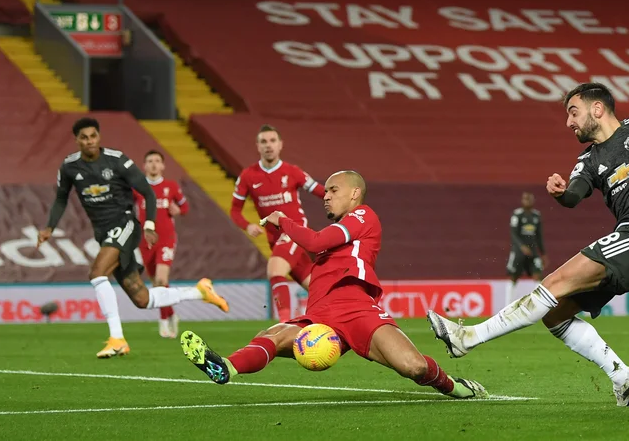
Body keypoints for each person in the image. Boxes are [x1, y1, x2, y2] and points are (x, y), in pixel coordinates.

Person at [428, 82, 629, 406]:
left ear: (597, 109)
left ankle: (468, 338)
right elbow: (575, 194)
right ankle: (621, 374)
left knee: (554, 283)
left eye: (573, 112)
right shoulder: (589, 159)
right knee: (556, 315)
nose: (569, 122)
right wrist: (562, 193)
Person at [182, 171, 488, 399]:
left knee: (414, 367)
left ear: (355, 193)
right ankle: (225, 367)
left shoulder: (363, 215)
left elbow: (314, 241)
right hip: (320, 313)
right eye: (325, 190)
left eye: (333, 189)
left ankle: (454, 387)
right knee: (273, 335)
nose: (325, 195)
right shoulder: (337, 231)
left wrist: (282, 219)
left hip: (356, 308)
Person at [37, 117, 229, 358]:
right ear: (76, 140)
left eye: (93, 136)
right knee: (142, 297)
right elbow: (61, 198)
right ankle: (199, 292)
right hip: (103, 232)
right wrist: (49, 227)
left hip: (125, 224)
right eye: (84, 137)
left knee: (97, 274)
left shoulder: (117, 160)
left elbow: (148, 192)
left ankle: (117, 338)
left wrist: (148, 224)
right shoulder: (69, 166)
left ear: (99, 137)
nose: (89, 141)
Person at [230, 124, 325, 322]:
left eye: (272, 141)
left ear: (280, 145)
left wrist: (341, 199)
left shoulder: (293, 172)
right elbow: (235, 210)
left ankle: (284, 323)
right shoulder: (248, 176)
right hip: (274, 238)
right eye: (263, 141)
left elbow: (320, 191)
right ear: (257, 146)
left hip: (294, 230)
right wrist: (247, 225)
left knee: (275, 270)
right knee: (317, 287)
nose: (268, 145)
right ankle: (351, 313)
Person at [133, 150, 189, 339]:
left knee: (160, 280)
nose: (154, 164)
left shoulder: (171, 186)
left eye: (157, 161)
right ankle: (171, 314)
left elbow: (185, 207)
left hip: (166, 239)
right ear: (144, 166)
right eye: (150, 161)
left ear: (163, 165)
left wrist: (178, 210)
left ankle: (163, 322)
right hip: (145, 240)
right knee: (157, 284)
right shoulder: (138, 188)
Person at [506, 192, 547, 297]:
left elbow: (539, 236)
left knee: (538, 275)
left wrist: (543, 253)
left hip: (533, 251)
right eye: (525, 199)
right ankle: (507, 305)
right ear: (522, 201)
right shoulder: (517, 215)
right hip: (518, 252)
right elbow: (513, 233)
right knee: (513, 277)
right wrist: (521, 246)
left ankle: (537, 304)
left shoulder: (536, 215)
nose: (527, 201)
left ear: (533, 201)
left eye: (529, 199)